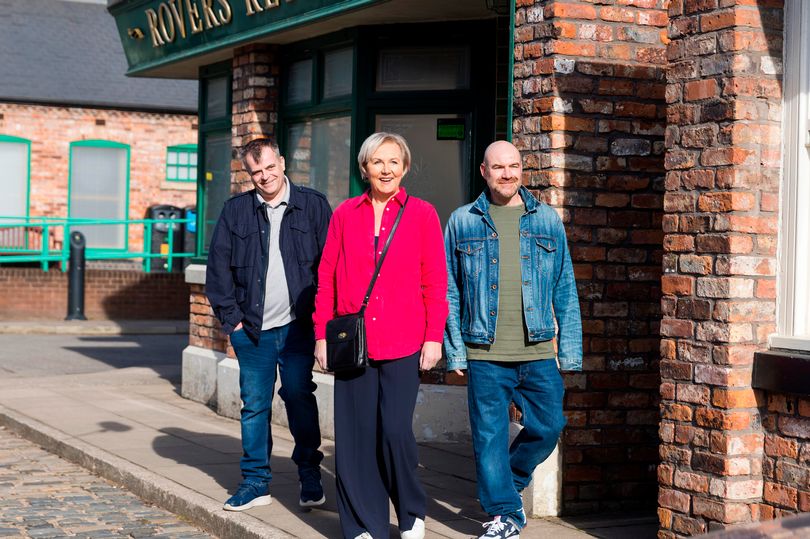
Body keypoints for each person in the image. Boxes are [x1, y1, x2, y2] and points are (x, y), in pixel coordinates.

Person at [444, 141, 582, 539]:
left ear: (522, 170)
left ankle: (509, 480)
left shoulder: (546, 220)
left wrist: (569, 351)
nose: (508, 174)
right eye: (498, 167)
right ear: (484, 172)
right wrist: (455, 349)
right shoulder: (462, 221)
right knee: (488, 436)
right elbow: (450, 292)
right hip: (483, 350)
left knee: (549, 425)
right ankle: (504, 514)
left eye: (514, 166)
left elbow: (565, 287)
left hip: (538, 350)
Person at [313, 132, 448, 539]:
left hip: (404, 340)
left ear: (404, 167)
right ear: (365, 168)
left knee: (394, 431)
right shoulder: (344, 214)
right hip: (352, 344)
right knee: (354, 440)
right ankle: (361, 525)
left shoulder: (422, 214)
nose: (386, 169)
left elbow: (435, 281)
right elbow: (325, 279)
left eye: (394, 162)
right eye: (378, 162)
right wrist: (321, 335)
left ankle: (411, 512)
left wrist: (434, 336)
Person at [205, 137, 332, 512]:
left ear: (282, 162)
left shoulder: (313, 205)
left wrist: (322, 322)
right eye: (256, 172)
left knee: (298, 396)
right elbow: (218, 274)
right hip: (254, 332)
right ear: (249, 174)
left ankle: (309, 473)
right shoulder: (236, 212)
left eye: (270, 167)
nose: (264, 176)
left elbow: (330, 267)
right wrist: (234, 325)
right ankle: (256, 481)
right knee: (254, 405)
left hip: (298, 328)